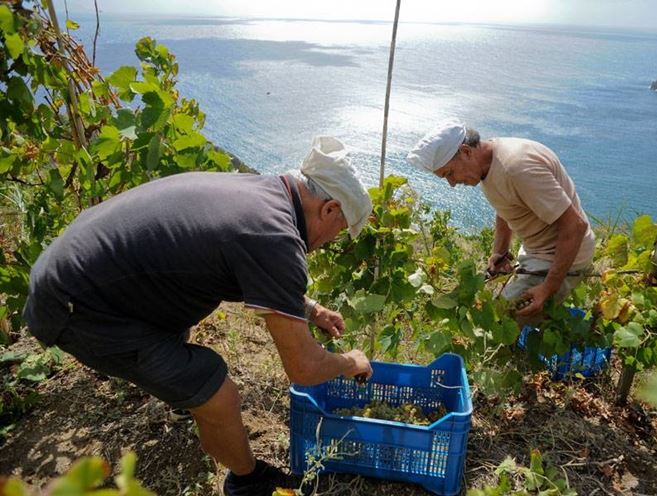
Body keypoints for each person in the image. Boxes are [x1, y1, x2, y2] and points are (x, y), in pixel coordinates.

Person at [23, 136, 374, 496]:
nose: (332, 240)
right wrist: (350, 361)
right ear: (329, 209)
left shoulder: (262, 194)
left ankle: (185, 402)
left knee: (178, 316)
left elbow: (248, 259)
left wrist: (310, 309)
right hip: (76, 306)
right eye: (339, 230)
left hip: (73, 270)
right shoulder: (276, 237)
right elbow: (303, 368)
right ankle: (247, 480)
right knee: (214, 388)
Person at [407, 119, 594, 318]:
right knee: (506, 315)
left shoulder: (517, 168)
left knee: (502, 321)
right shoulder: (489, 164)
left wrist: (548, 288)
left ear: (466, 151)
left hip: (563, 256)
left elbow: (575, 226)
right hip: (537, 252)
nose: (452, 183)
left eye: (450, 173)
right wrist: (501, 252)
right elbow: (506, 205)